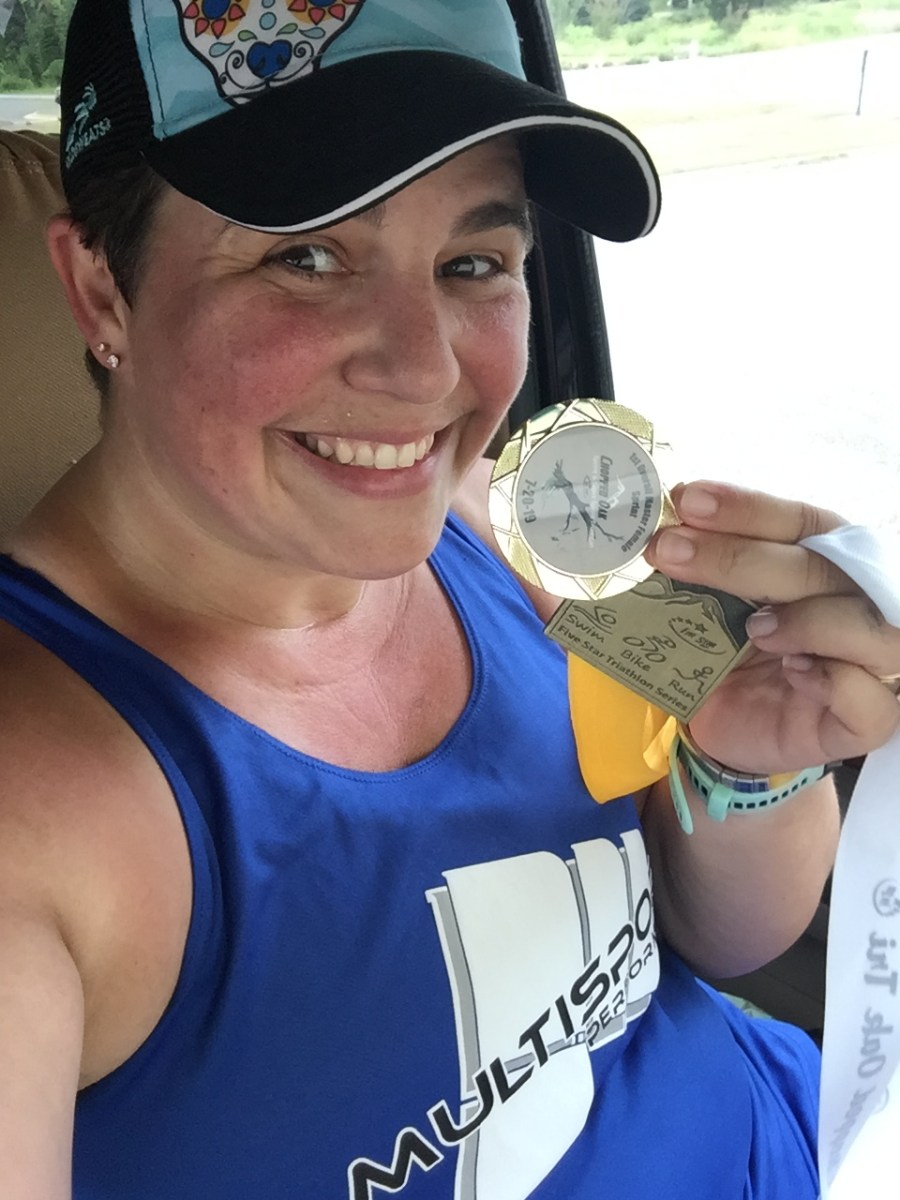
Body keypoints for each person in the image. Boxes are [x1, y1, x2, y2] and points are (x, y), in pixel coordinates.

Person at [1, 2, 898, 1198]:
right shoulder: (34, 805)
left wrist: (744, 766)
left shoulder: (519, 518)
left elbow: (729, 936)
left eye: (474, 263)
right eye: (304, 258)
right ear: (101, 288)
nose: (428, 371)